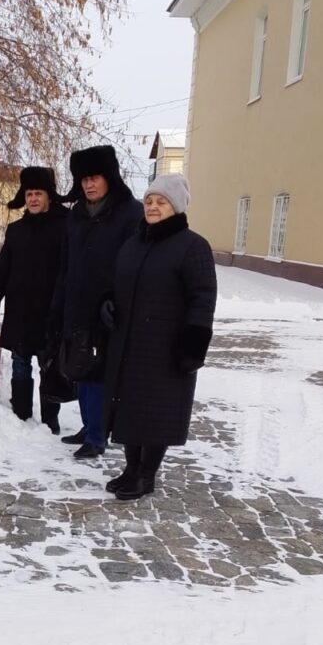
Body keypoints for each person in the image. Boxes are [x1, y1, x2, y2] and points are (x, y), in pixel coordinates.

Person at [103, 173, 217, 500]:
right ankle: (130, 469)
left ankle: (146, 475)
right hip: (128, 343)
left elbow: (202, 298)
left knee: (156, 410)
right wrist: (106, 304)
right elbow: (115, 283)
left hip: (166, 347)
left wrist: (193, 346)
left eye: (161, 202)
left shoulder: (193, 246)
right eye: (149, 201)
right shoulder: (133, 244)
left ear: (176, 206)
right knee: (129, 407)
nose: (152, 207)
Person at [54, 145, 143, 459]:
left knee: (98, 374)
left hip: (108, 310)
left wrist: (116, 301)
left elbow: (134, 264)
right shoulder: (77, 214)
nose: (88, 185)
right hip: (76, 305)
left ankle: (97, 435)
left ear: (109, 178)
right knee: (79, 368)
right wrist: (59, 304)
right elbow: (66, 264)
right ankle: (88, 425)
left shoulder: (130, 213)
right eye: (83, 179)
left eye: (94, 178)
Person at [0, 166, 68, 433]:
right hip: (20, 310)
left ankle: (50, 420)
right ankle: (20, 415)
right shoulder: (16, 229)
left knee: (48, 366)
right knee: (20, 363)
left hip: (50, 311)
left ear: (49, 196)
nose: (33, 199)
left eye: (38, 193)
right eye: (29, 194)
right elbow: (2, 270)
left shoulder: (65, 226)